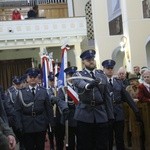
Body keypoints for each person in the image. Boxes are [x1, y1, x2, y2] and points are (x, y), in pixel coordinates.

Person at [72, 49, 114, 150]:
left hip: (101, 114)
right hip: (85, 115)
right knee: (85, 145)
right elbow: (80, 84)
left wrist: (110, 116)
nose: (91, 61)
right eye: (88, 59)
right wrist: (88, 85)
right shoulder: (78, 75)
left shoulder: (102, 75)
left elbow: (107, 97)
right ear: (83, 62)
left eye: (92, 59)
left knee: (102, 144)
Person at [102, 59, 142, 150]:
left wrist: (136, 111)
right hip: (107, 114)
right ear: (104, 69)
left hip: (119, 113)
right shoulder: (101, 82)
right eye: (108, 68)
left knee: (120, 138)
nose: (110, 70)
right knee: (108, 139)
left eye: (111, 68)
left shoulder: (118, 82)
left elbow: (128, 98)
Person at [14, 68, 54, 150]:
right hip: (26, 124)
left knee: (40, 147)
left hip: (41, 124)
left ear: (38, 78)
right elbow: (17, 110)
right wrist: (19, 125)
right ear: (27, 79)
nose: (32, 78)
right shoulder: (21, 92)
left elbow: (48, 109)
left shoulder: (43, 91)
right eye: (30, 76)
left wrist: (50, 123)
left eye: (35, 76)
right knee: (29, 147)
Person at [58, 66, 78, 150]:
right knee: (70, 141)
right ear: (67, 76)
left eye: (74, 74)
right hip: (69, 117)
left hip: (79, 117)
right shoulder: (63, 89)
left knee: (82, 140)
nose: (72, 77)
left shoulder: (78, 87)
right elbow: (61, 102)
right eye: (70, 75)